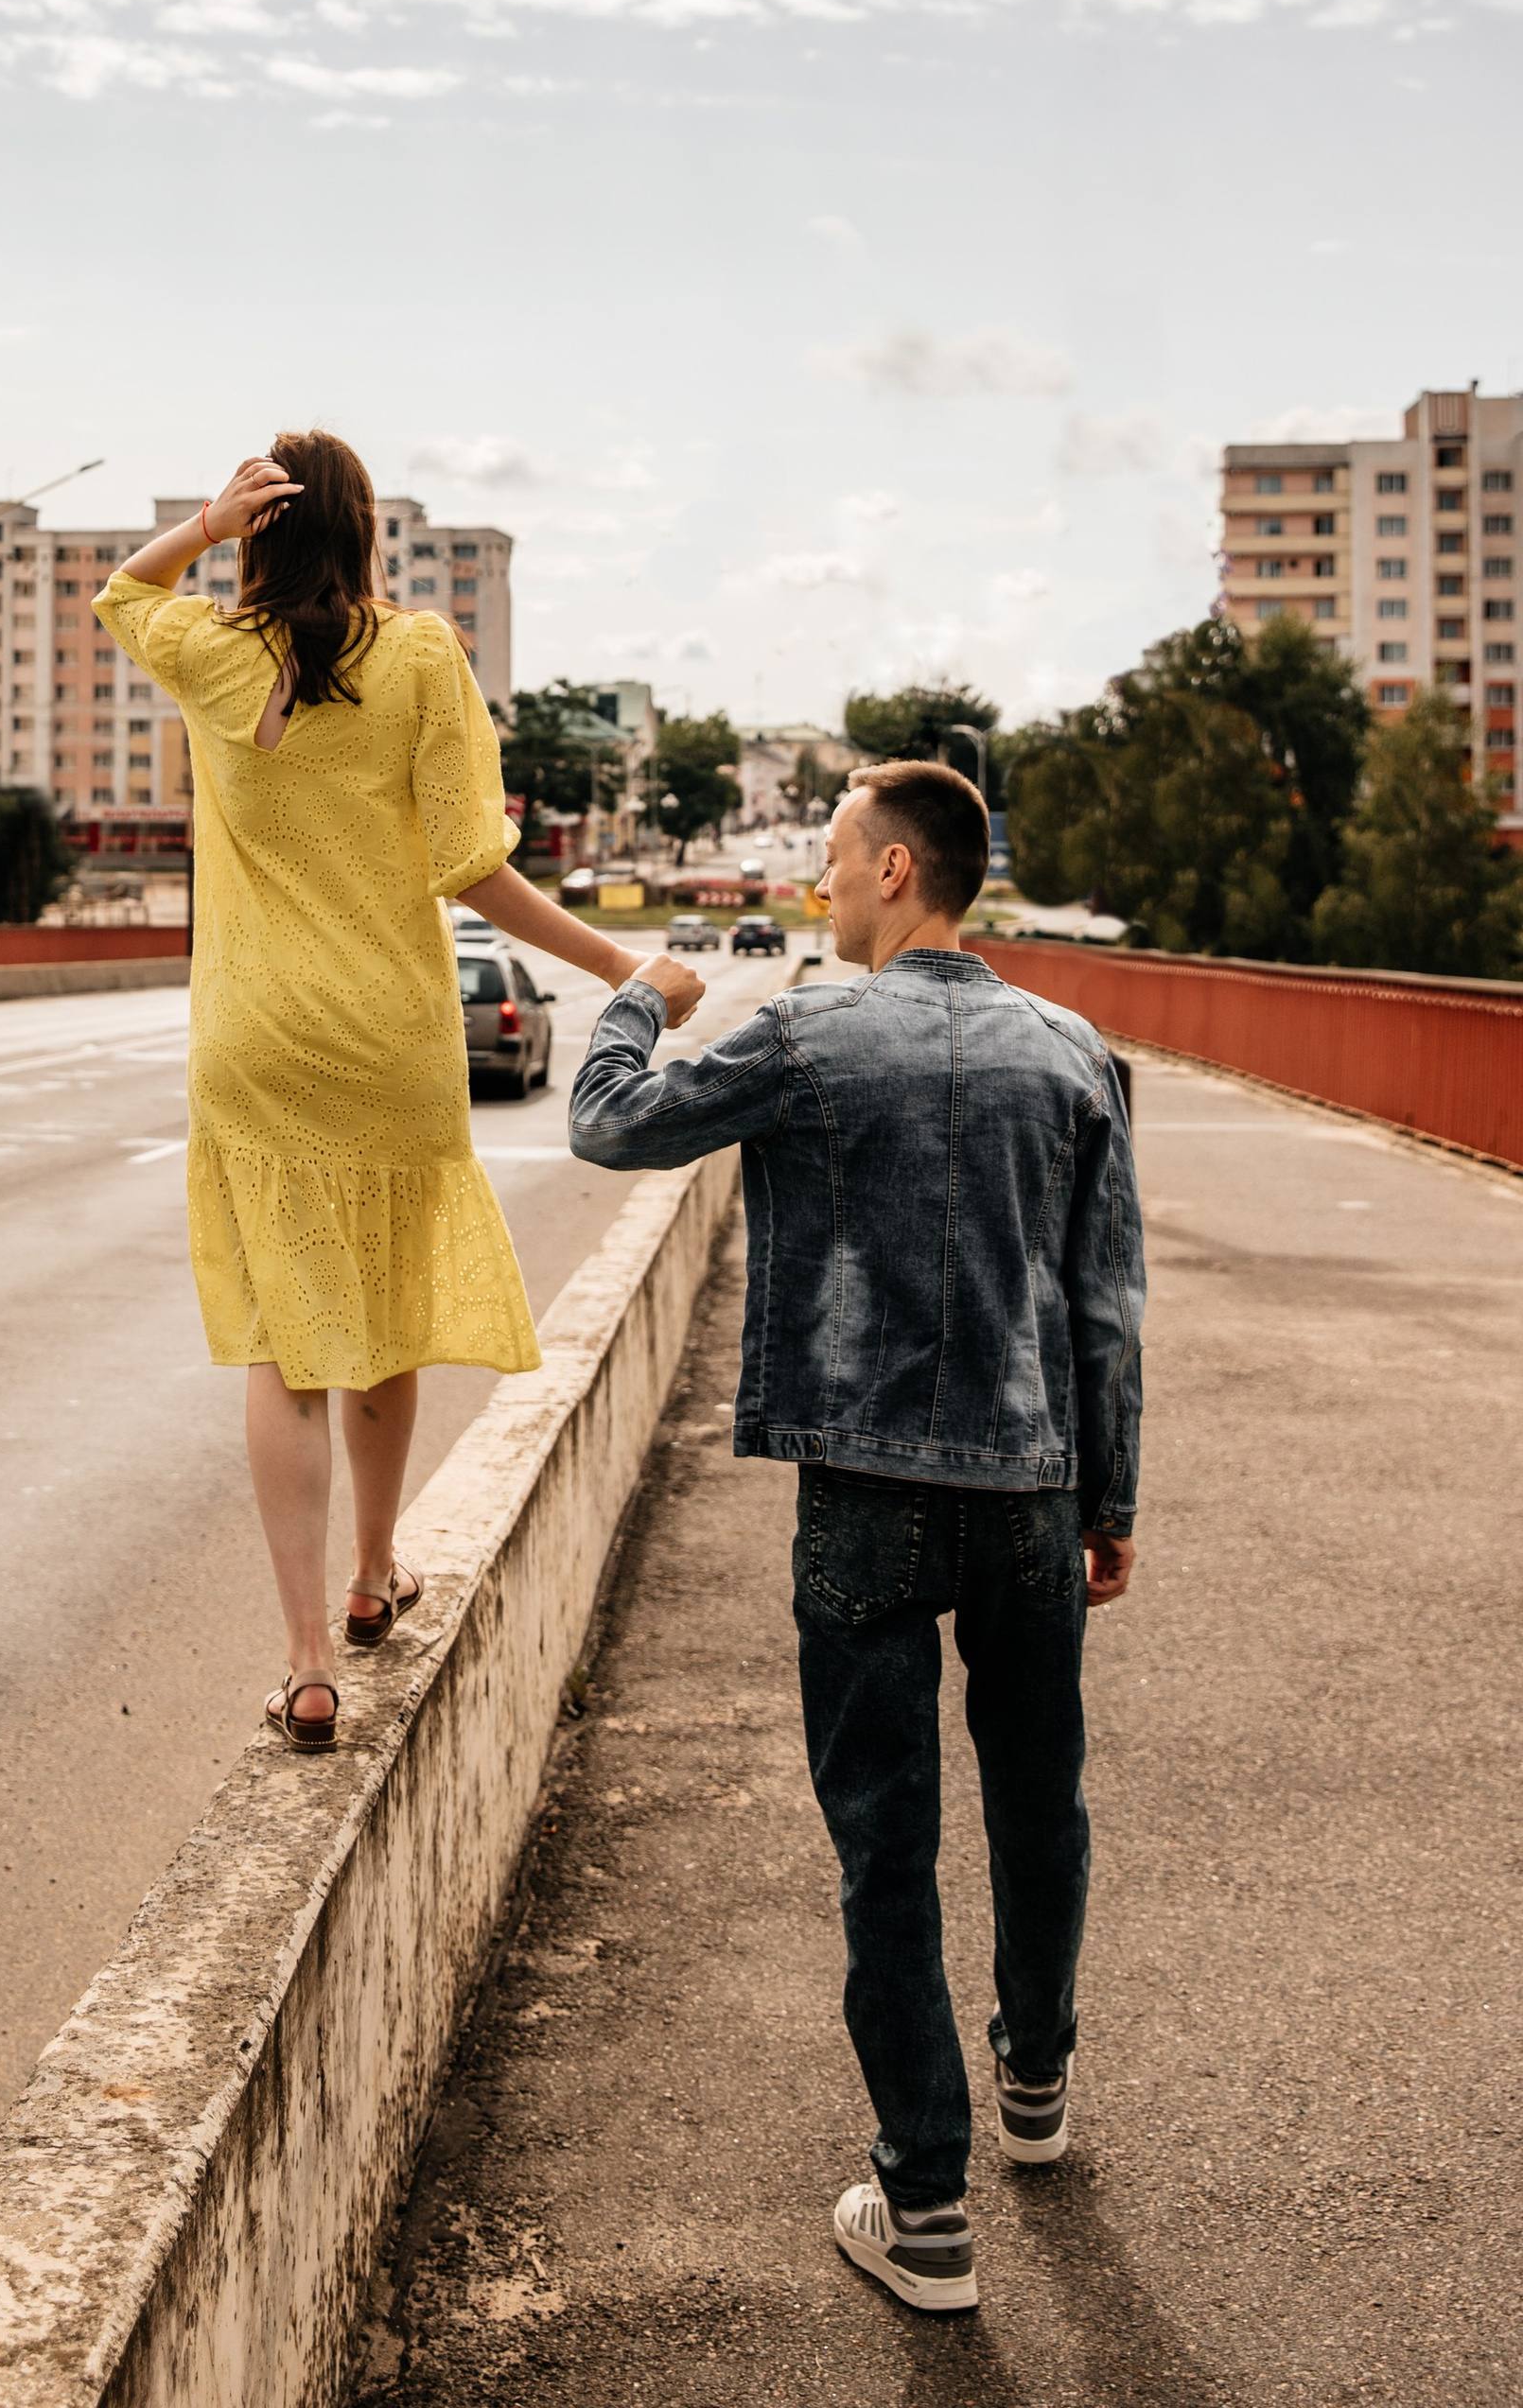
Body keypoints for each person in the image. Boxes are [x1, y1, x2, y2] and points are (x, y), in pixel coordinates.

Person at [568, 759, 1145, 2316]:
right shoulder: (1077, 1052)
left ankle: (929, 2208)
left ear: (898, 872)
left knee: (886, 1841)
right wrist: (1112, 1501)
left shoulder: (808, 1035)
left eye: (832, 857)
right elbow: (1106, 1307)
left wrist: (638, 992)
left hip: (869, 1498)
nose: (818, 884)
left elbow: (611, 1127)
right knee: (1040, 1802)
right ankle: (1037, 2085)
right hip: (1029, 1490)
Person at [96, 436, 705, 1750]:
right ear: (369, 534)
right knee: (383, 1304)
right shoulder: (419, 656)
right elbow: (474, 868)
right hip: (388, 1038)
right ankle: (377, 1574)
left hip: (256, 1041)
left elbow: (119, 596)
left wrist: (201, 527)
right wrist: (620, 966)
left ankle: (308, 1658)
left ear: (264, 533)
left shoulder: (215, 651)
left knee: (286, 1341)